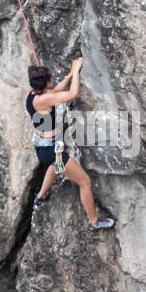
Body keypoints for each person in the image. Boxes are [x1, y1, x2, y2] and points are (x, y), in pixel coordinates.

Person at [27, 59, 115, 229]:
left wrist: (67, 76)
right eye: (50, 79)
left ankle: (41, 195)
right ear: (45, 84)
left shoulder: (31, 95)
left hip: (42, 147)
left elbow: (54, 92)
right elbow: (73, 94)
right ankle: (94, 221)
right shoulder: (43, 100)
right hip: (50, 149)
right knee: (85, 182)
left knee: (56, 166)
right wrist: (76, 71)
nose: (53, 81)